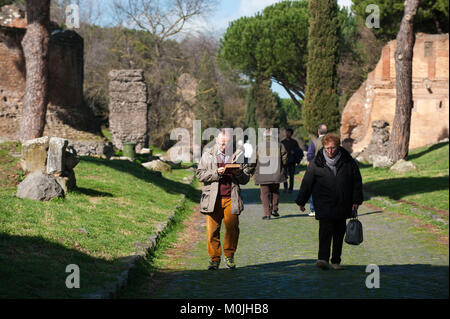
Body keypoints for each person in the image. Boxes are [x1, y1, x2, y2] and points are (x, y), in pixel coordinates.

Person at [296, 133, 363, 270]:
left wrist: (356, 200)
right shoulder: (316, 162)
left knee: (339, 232)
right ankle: (323, 259)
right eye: (327, 148)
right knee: (325, 231)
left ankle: (336, 261)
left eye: (332, 148)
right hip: (323, 202)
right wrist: (301, 201)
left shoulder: (348, 161)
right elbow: (307, 182)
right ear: (324, 148)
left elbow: (357, 182)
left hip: (343, 202)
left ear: (338, 147)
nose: (330, 151)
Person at [196, 130, 251, 270]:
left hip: (231, 197)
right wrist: (216, 173)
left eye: (226, 144)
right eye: (221, 144)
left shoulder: (239, 155)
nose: (223, 147)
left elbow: (245, 179)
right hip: (212, 198)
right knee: (212, 231)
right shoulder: (207, 155)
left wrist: (238, 173)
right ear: (216, 142)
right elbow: (200, 175)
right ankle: (214, 259)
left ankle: (229, 256)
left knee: (232, 229)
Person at [254, 129, 287, 220]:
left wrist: (250, 170)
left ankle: (267, 214)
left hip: (263, 174)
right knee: (275, 192)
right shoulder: (280, 145)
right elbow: (285, 157)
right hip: (276, 172)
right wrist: (282, 165)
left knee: (264, 194)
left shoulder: (259, 146)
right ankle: (275, 209)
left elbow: (254, 160)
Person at [306, 123, 328, 216]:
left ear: (318, 131)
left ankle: (313, 209)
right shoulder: (331, 142)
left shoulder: (314, 142)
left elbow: (310, 155)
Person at [281, 128, 303, 193]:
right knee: (284, 175)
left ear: (291, 134)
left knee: (291, 176)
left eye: (289, 132)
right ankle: (285, 187)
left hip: (292, 161)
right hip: (284, 162)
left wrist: (294, 152)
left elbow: (299, 151)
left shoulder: (294, 142)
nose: (287, 134)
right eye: (286, 132)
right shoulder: (283, 142)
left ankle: (291, 189)